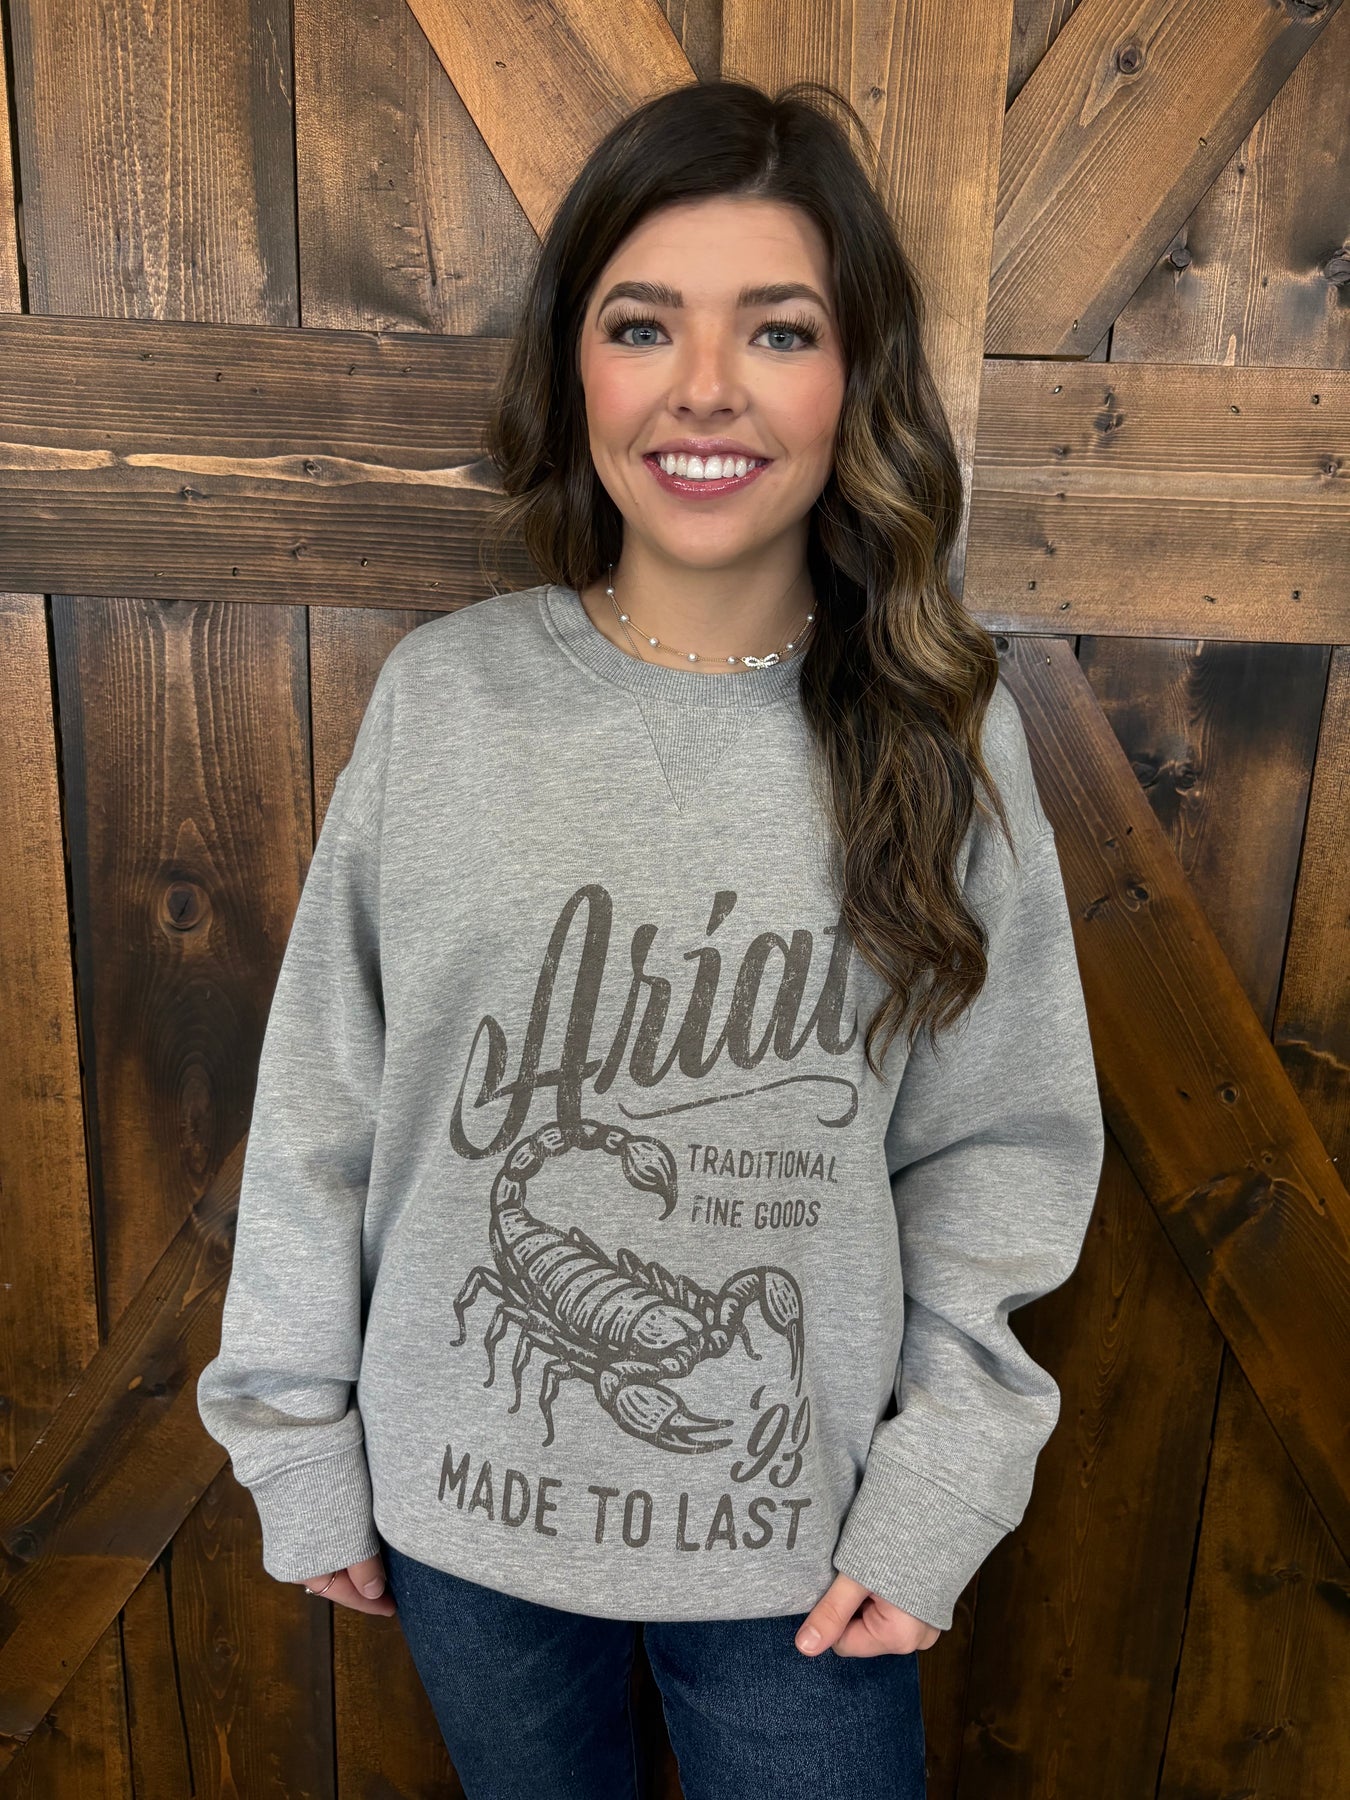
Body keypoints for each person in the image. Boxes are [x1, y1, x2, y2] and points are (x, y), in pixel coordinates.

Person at [196, 76, 1105, 1800]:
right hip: (463, 1527)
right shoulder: (445, 701)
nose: (703, 386)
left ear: (854, 381)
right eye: (641, 325)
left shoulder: (938, 732)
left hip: (801, 1546)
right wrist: (295, 1444)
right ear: (576, 370)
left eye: (777, 329)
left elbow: (1001, 1150)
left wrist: (940, 1489)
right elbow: (323, 1107)